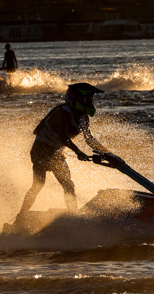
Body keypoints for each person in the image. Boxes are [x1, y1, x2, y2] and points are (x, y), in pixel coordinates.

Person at [17, 83, 108, 215]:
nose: (91, 101)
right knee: (38, 185)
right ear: (78, 98)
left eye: (92, 99)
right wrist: (78, 151)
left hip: (56, 152)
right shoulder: (64, 112)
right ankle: (22, 214)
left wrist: (107, 153)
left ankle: (73, 215)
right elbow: (62, 137)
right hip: (41, 150)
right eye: (89, 98)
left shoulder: (83, 117)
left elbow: (89, 139)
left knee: (68, 185)